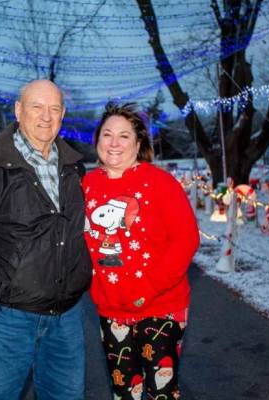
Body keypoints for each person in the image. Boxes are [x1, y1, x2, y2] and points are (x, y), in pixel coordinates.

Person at [0, 80, 92, 400]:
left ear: (63, 114)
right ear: (18, 110)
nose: (46, 116)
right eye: (37, 107)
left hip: (65, 319)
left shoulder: (74, 165)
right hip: (6, 318)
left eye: (54, 109)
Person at [83, 102, 200, 399]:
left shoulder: (161, 183)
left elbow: (186, 239)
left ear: (138, 143)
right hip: (111, 311)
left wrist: (146, 288)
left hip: (161, 307)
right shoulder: (86, 185)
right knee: (124, 391)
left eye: (124, 136)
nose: (114, 143)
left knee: (161, 392)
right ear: (97, 141)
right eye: (107, 134)